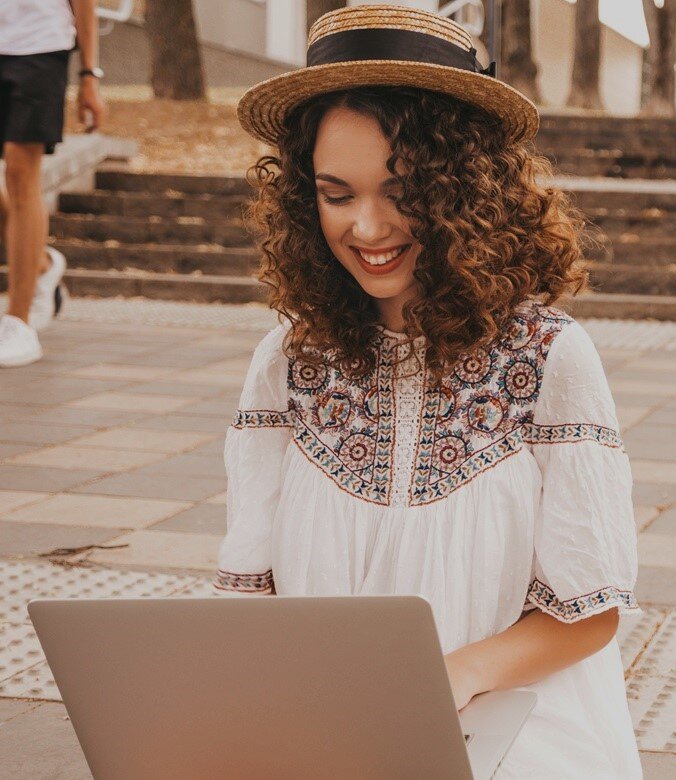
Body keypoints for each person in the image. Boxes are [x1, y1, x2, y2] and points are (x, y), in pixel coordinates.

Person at [213, 5, 641, 778]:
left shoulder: (550, 359)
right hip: (321, 737)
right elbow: (252, 598)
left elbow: (588, 610)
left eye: (401, 189)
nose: (368, 227)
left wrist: (457, 675)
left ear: (464, 189)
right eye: (336, 193)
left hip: (514, 731)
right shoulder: (285, 363)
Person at [0, 0, 105, 367]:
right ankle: (41, 264)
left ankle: (18, 321)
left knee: (19, 174)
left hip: (38, 46)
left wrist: (89, 74)